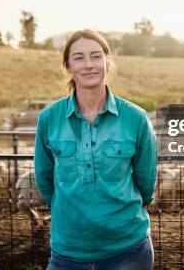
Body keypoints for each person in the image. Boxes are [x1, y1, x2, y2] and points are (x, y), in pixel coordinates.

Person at [34, 29, 157, 270]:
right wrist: (68, 211)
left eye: (96, 56)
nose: (89, 64)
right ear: (68, 66)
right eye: (79, 58)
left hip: (128, 249)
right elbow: (45, 178)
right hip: (68, 251)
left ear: (107, 62)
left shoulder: (136, 118)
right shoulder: (49, 118)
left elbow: (146, 182)